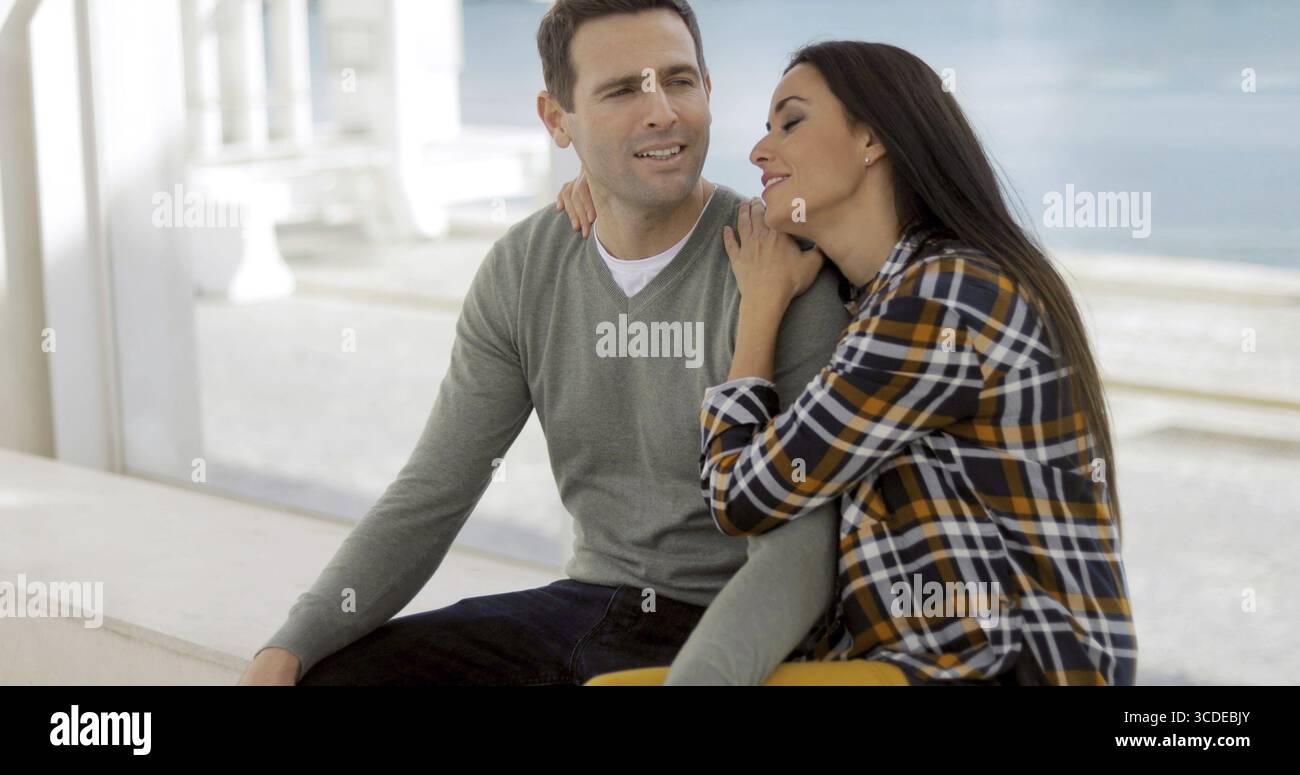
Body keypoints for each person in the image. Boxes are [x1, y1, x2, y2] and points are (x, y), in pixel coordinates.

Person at [238, 0, 849, 686]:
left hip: (732, 626)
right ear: (557, 119)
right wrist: (286, 646)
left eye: (678, 81)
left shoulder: (778, 268)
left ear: (708, 89)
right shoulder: (525, 266)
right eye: (622, 90)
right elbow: (434, 492)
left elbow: (799, 555)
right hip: (584, 607)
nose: (662, 112)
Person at [701, 41, 1138, 684]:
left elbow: (740, 495)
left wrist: (761, 309)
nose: (759, 151)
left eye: (790, 122)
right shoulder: (893, 297)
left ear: (872, 138)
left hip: (1008, 670)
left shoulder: (944, 297)